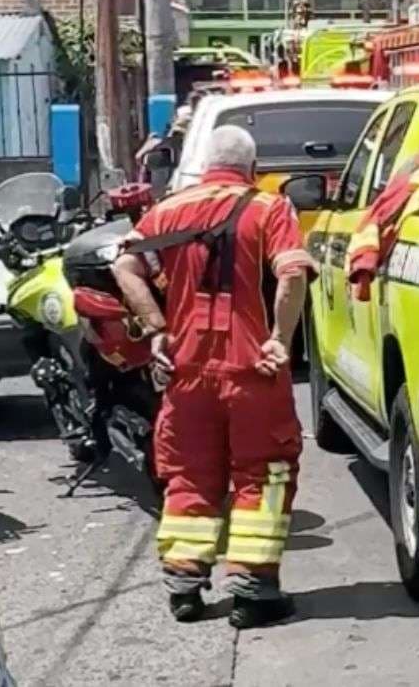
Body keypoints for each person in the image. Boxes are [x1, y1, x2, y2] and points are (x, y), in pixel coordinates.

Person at [110, 126, 316, 629]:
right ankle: (252, 587)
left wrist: (156, 328)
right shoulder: (269, 208)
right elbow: (291, 273)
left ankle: (184, 583)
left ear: (206, 163)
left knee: (190, 474)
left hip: (186, 367)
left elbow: (125, 265)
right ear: (251, 166)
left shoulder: (170, 209)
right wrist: (279, 341)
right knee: (263, 473)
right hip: (249, 369)